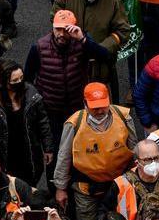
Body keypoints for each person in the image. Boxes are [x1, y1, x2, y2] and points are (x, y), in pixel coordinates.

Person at [26, 10, 111, 144]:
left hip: (76, 107)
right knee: (55, 146)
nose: (61, 34)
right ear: (53, 28)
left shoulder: (82, 43)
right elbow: (28, 79)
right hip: (51, 109)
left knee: (79, 144)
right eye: (58, 29)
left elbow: (105, 56)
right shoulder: (38, 48)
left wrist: (83, 39)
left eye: (66, 30)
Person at [52, 0, 133, 92]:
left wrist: (101, 48)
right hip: (70, 58)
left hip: (100, 65)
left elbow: (123, 31)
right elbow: (54, 19)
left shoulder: (114, 0)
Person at [0, 64, 54, 187]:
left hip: (28, 152)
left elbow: (43, 122)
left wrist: (48, 148)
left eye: (21, 78)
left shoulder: (31, 93)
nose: (19, 82)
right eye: (14, 80)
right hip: (5, 155)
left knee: (30, 188)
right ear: (2, 81)